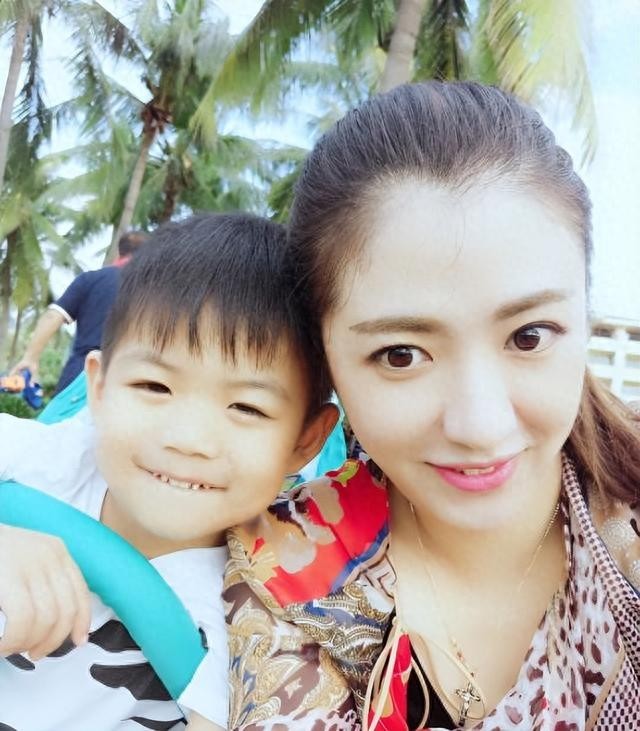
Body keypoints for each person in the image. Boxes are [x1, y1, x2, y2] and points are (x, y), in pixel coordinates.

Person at [223, 81, 640, 730]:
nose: (480, 426)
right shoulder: (280, 566)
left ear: (584, 317)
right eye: (400, 354)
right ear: (325, 358)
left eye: (529, 336)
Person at [0, 213, 337, 731]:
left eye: (247, 408)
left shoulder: (262, 615)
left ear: (305, 440)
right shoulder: (52, 462)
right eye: (154, 387)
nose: (188, 439)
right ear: (99, 387)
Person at [11, 230, 148, 394]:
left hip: (81, 374)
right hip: (129, 380)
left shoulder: (91, 280)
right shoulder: (157, 290)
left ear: (120, 252)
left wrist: (30, 358)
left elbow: (53, 316)